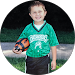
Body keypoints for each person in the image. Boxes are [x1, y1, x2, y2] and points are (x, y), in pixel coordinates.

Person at [12, 1, 59, 74]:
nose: (37, 14)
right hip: (30, 58)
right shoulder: (28, 28)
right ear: (30, 15)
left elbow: (53, 44)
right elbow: (20, 41)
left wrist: (54, 60)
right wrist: (16, 49)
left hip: (44, 59)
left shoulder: (49, 28)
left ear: (45, 13)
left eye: (40, 11)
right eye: (34, 12)